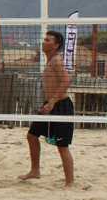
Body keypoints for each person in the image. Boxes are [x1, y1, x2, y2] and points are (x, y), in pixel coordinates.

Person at [20, 30, 75, 187]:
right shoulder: (50, 61)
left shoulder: (57, 60)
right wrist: (48, 103)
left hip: (61, 106)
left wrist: (52, 102)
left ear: (56, 45)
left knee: (62, 146)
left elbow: (66, 81)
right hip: (49, 105)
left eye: (48, 40)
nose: (44, 42)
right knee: (32, 136)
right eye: (44, 39)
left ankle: (70, 182)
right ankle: (35, 170)